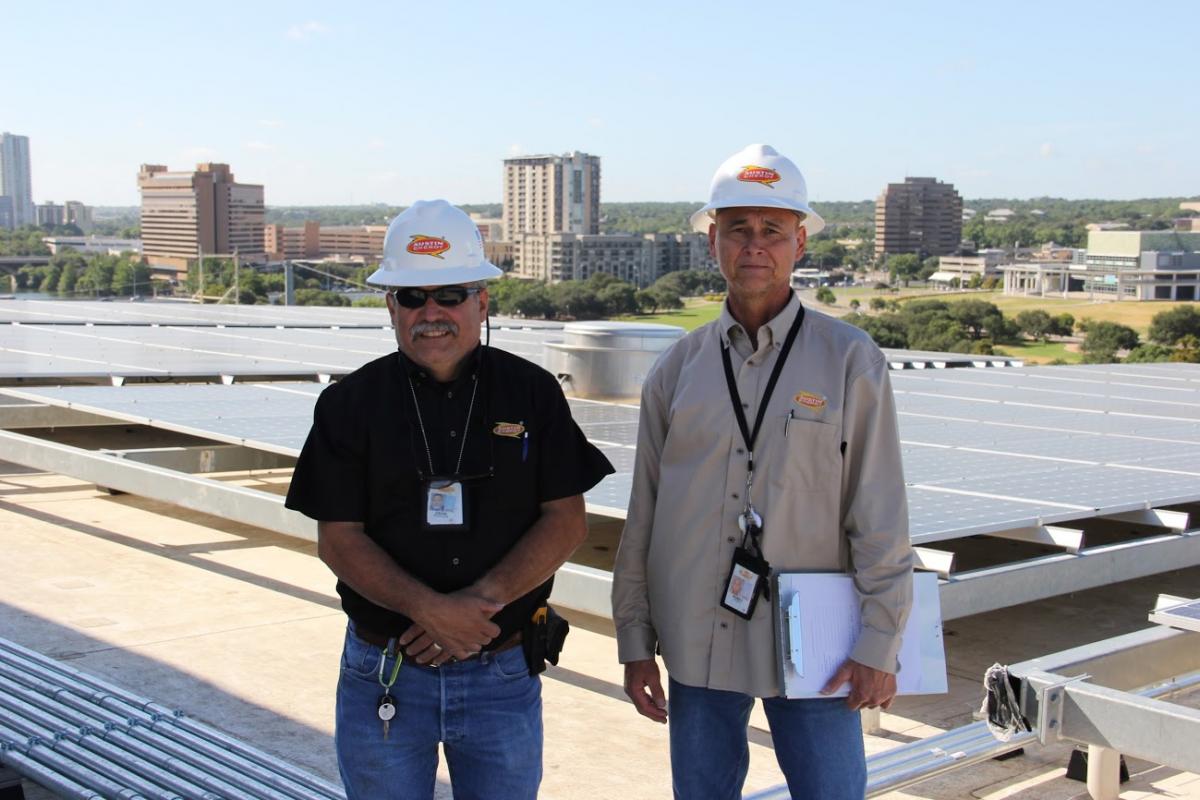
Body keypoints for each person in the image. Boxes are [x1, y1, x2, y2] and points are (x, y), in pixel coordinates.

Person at [612, 144, 914, 799]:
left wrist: (880, 643)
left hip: (818, 647)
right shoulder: (676, 370)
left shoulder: (849, 362)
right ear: (711, 241)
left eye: (772, 231)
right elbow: (645, 516)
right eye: (737, 229)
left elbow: (880, 513)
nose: (754, 246)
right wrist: (634, 638)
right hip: (698, 637)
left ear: (799, 242)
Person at [286, 199, 613, 800]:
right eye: (412, 297)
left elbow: (565, 521)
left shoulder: (531, 393)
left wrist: (474, 607)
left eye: (450, 295)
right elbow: (338, 538)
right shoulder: (348, 406)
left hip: (501, 672)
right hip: (385, 673)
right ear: (390, 306)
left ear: (482, 302)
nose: (431, 313)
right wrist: (428, 611)